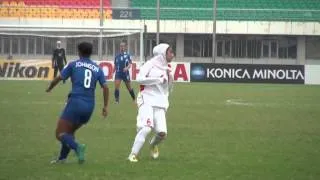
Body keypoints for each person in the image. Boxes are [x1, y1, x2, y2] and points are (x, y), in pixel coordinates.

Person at [46, 42, 109, 164]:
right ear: (90, 53)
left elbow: (59, 78)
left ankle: (78, 147)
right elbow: (105, 88)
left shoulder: (73, 65)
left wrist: (49, 88)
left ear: (79, 52)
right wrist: (105, 106)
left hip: (75, 103)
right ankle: (62, 158)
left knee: (60, 133)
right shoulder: (97, 68)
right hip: (89, 106)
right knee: (69, 132)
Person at [127, 43, 175, 162]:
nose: (173, 54)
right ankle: (133, 154)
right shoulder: (149, 64)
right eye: (170, 52)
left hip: (160, 103)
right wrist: (158, 79)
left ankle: (153, 145)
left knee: (162, 133)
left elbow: (168, 90)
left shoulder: (168, 69)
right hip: (146, 99)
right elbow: (139, 79)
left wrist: (170, 79)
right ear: (163, 53)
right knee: (147, 128)